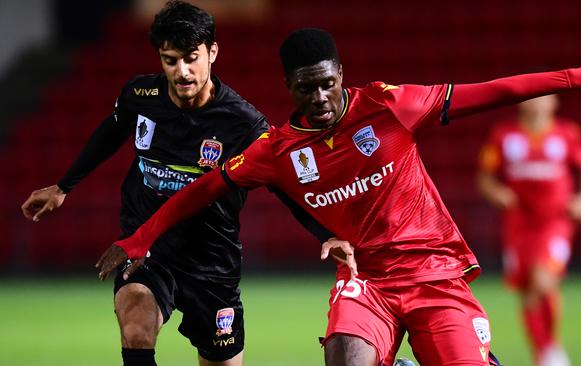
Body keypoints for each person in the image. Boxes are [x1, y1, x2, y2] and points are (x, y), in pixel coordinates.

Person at [96, 28, 581, 366]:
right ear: (290, 88)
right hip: (367, 282)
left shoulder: (391, 106)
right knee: (344, 359)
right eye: (306, 88)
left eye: (327, 83)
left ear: (341, 77)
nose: (320, 97)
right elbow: (205, 189)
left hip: (434, 274)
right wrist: (139, 237)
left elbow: (495, 91)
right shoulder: (276, 150)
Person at [20, 4, 344, 366]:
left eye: (191, 58)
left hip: (211, 260)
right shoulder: (140, 97)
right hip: (148, 248)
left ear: (213, 52)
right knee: (136, 328)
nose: (182, 71)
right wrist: (64, 186)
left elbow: (283, 185)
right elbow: (111, 131)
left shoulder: (245, 124)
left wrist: (323, 233)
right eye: (170, 60)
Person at [476, 94, 581, 366]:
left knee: (544, 279)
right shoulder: (504, 135)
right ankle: (543, 352)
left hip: (555, 221)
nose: (536, 103)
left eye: (543, 98)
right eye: (532, 98)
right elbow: (484, 176)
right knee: (528, 290)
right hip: (519, 223)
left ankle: (550, 348)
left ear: (554, 103)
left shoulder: (567, 133)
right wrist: (497, 192)